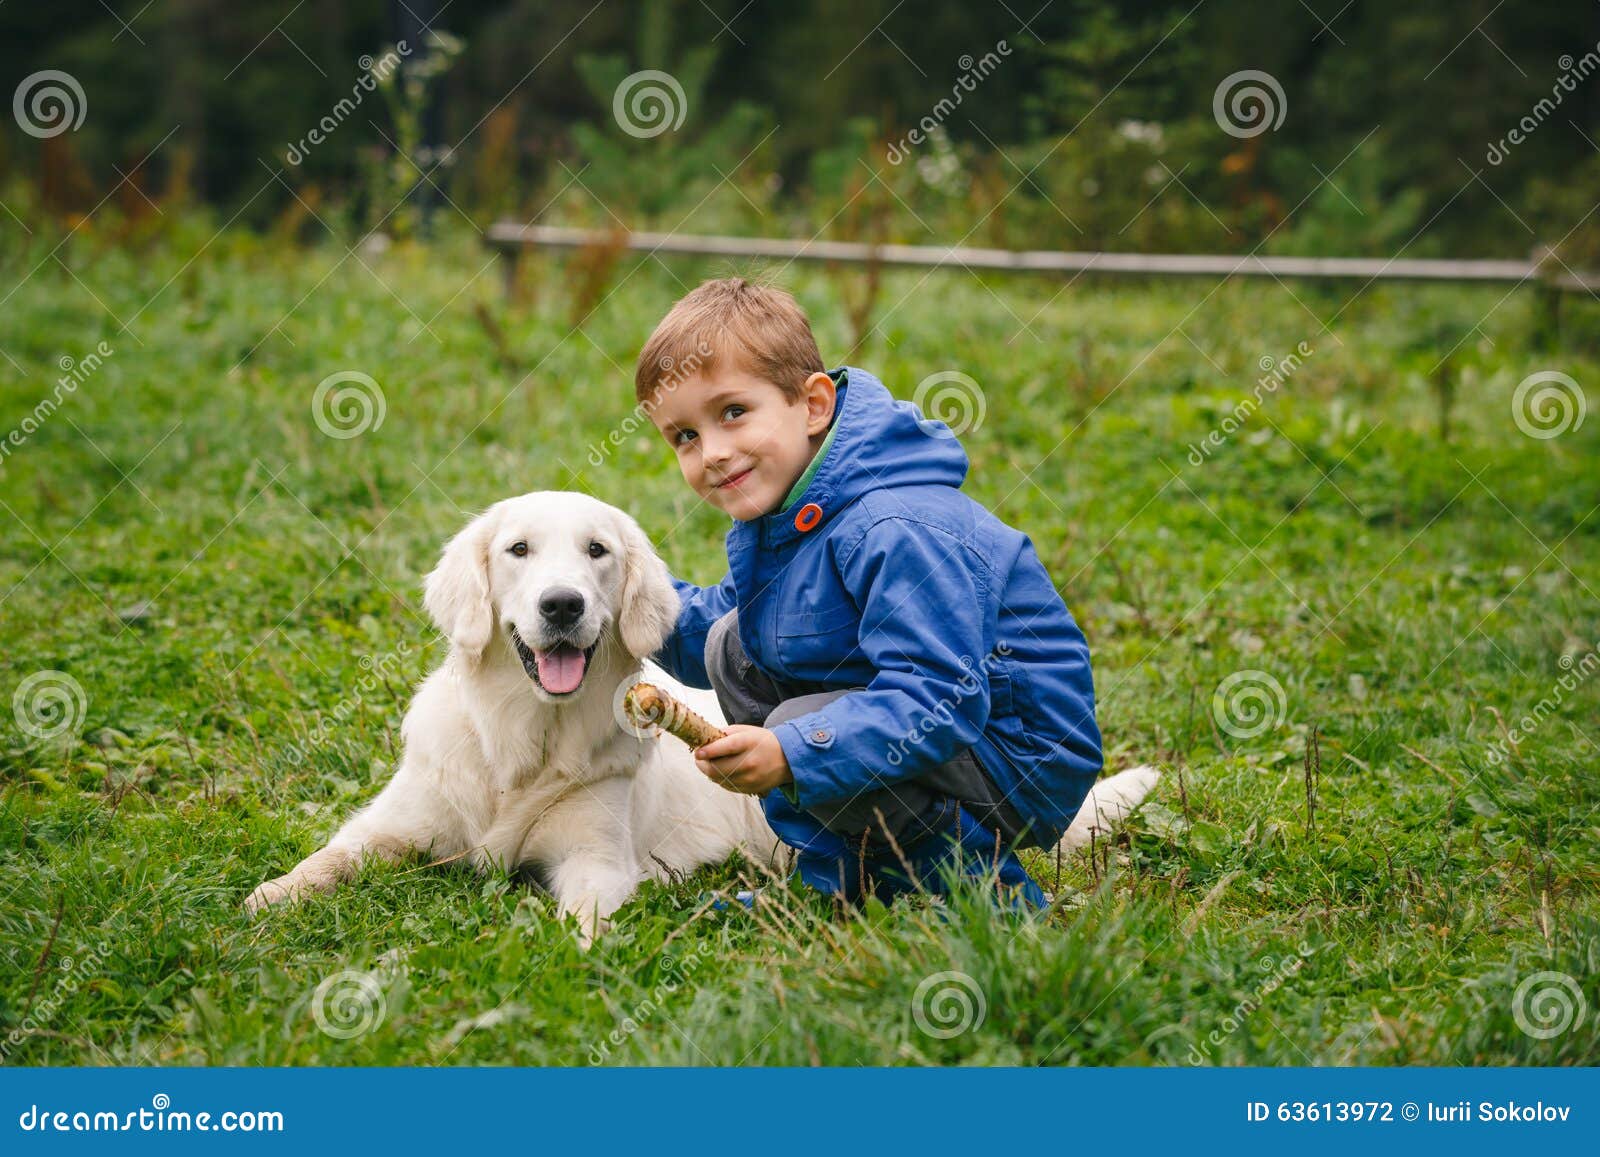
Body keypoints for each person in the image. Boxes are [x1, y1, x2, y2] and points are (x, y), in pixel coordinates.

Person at [636, 277, 1102, 907]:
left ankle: (984, 896)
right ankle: (850, 885)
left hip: (1015, 748)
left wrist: (794, 751)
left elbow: (939, 700)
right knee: (731, 646)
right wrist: (624, 595)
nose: (712, 452)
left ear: (814, 405)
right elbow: (723, 625)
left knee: (805, 725)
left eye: (733, 412)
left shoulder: (893, 527)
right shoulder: (791, 515)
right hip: (948, 728)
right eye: (684, 436)